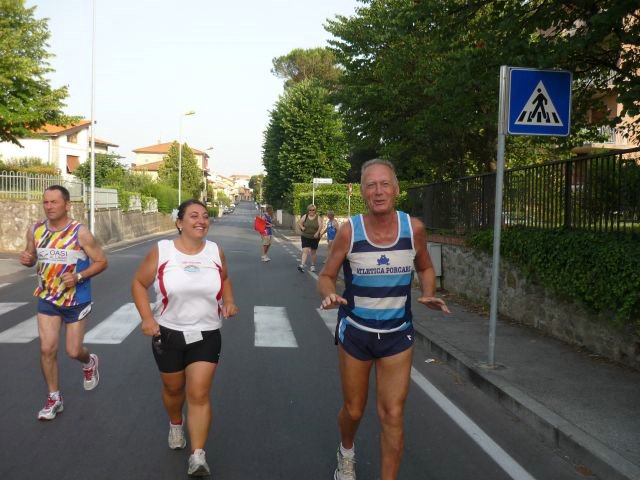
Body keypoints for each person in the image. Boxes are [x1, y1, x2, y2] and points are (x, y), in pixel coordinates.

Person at [318, 159, 450, 480]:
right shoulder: (350, 231)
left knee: (393, 414)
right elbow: (326, 275)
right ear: (363, 192)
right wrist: (329, 294)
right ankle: (346, 451)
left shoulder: (413, 229)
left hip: (397, 335)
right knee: (354, 410)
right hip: (356, 333)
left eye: (385, 184)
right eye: (371, 185)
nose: (378, 191)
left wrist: (428, 292)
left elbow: (425, 267)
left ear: (396, 189)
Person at [131, 199, 238, 477]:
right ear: (179, 222)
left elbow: (225, 279)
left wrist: (229, 301)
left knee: (199, 393)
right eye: (193, 216)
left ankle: (197, 455)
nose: (201, 220)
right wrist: (147, 318)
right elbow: (139, 283)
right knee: (174, 390)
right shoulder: (162, 251)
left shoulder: (215, 251)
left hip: (207, 333)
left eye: (205, 216)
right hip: (167, 333)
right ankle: (176, 423)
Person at [19, 185, 108, 421]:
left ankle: (89, 361)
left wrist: (78, 276)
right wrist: (27, 259)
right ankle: (54, 398)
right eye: (46, 202)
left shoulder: (80, 232)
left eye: (54, 202)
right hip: (48, 297)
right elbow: (31, 257)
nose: (49, 207)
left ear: (67, 205)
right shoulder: (35, 230)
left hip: (76, 299)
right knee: (46, 349)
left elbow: (101, 261)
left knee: (73, 350)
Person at [296, 203, 322, 272]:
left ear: (315, 210)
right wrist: (302, 227)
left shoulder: (318, 217)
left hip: (314, 237)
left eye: (313, 210)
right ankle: (302, 265)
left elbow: (320, 226)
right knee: (305, 251)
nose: (311, 211)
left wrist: (317, 233)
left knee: (313, 252)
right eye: (310, 210)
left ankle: (313, 265)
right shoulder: (305, 216)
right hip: (305, 236)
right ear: (308, 210)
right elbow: (299, 222)